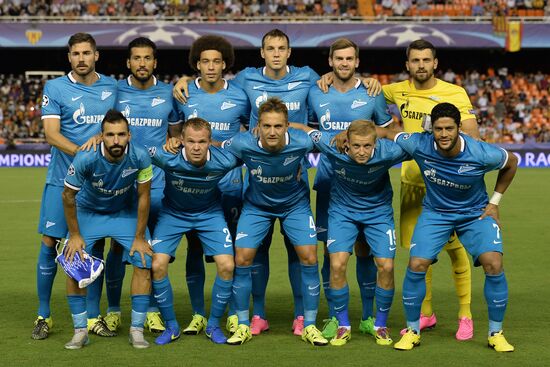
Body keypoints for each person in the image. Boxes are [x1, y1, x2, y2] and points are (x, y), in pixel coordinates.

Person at [174, 28, 320, 336]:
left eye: (282, 47)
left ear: (289, 52)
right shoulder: (244, 81)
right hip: (254, 181)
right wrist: (185, 81)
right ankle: (257, 315)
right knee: (254, 251)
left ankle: (300, 316)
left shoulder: (309, 77)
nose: (277, 53)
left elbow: (328, 87)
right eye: (271, 48)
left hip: (293, 178)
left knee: (300, 252)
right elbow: (213, 83)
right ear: (263, 52)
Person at [384, 102, 517, 352]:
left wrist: (495, 202)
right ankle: (412, 330)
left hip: (474, 213)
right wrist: (351, 133)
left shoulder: (480, 152)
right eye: (438, 129)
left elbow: (512, 162)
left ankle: (495, 333)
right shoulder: (419, 143)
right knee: (416, 264)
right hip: (435, 213)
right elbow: (386, 133)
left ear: (458, 128)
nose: (443, 134)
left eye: (449, 128)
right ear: (430, 129)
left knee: (494, 263)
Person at [382, 39, 478, 340]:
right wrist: (332, 76)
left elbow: (473, 137)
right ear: (407, 64)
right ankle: (426, 314)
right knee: (419, 254)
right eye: (415, 60)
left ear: (435, 63)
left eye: (426, 60)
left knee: (455, 249)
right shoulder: (397, 90)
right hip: (412, 185)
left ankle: (466, 315)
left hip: (447, 188)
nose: (421, 65)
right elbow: (362, 87)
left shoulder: (455, 93)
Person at [89, 36, 183, 335]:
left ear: (155, 62)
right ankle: (114, 310)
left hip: (156, 183)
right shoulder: (114, 92)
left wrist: (174, 140)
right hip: (119, 183)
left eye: (147, 58)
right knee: (116, 248)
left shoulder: (169, 93)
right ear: (128, 63)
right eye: (136, 58)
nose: (142, 63)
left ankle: (152, 309)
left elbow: (175, 135)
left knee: (151, 249)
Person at [292, 120, 409, 346]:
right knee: (336, 264)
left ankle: (380, 325)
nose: (362, 152)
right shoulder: (332, 144)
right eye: (356, 146)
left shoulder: (389, 151)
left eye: (367, 146)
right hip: (342, 213)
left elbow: (416, 144)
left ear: (375, 144)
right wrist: (282, 124)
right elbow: (307, 131)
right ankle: (343, 325)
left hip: (378, 214)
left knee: (386, 266)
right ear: (347, 143)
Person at [306, 38, 393, 340]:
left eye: (349, 59)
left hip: (368, 184)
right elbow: (301, 127)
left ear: (357, 61)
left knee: (366, 251)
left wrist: (352, 133)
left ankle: (369, 317)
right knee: (332, 255)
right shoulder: (316, 91)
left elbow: (386, 130)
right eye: (338, 59)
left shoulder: (371, 92)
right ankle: (334, 318)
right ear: (330, 61)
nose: (344, 63)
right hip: (330, 184)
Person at [224, 97, 327, 346]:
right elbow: (215, 150)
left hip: (295, 206)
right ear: (257, 126)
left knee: (309, 257)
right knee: (243, 258)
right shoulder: (242, 143)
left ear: (287, 126)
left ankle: (308, 324)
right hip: (257, 207)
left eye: (278, 127)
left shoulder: (302, 141)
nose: (272, 132)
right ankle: (245, 322)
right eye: (267, 126)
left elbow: (335, 142)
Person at [34, 32, 117, 340]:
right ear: (69, 57)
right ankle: (44, 315)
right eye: (76, 54)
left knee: (92, 248)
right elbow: (52, 135)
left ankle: (93, 317)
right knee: (48, 245)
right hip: (61, 181)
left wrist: (181, 83)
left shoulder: (112, 87)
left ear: (96, 56)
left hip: (99, 186)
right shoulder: (55, 87)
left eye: (87, 53)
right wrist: (86, 155)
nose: (81, 58)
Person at [61, 109, 154, 349]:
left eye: (121, 134)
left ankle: (136, 330)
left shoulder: (141, 156)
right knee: (73, 263)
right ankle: (81, 330)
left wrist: (140, 237)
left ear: (129, 136)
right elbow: (68, 196)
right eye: (110, 135)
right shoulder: (86, 158)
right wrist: (74, 235)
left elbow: (144, 197)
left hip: (123, 212)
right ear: (101, 136)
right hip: (88, 213)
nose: (116, 140)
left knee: (144, 260)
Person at [176, 35, 249, 336]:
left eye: (216, 61)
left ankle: (233, 313)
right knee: (194, 249)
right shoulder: (181, 94)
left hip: (229, 186)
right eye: (204, 61)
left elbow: (250, 137)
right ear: (196, 64)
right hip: (192, 187)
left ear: (225, 64)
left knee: (229, 254)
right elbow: (172, 137)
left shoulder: (241, 97)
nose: (210, 66)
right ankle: (197, 314)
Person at [148, 117, 239, 345]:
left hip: (209, 214)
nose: (196, 147)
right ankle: (171, 326)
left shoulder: (224, 160)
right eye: (190, 141)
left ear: (210, 142)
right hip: (173, 215)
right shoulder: (166, 156)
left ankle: (213, 324)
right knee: (157, 264)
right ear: (181, 141)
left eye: (202, 142)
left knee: (227, 265)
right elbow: (133, 154)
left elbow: (260, 154)